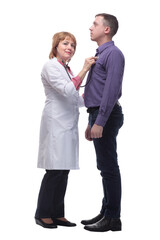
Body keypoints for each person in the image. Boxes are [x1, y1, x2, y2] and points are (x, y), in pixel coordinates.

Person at [35, 31, 96, 229]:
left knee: (63, 171)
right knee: (54, 171)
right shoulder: (51, 66)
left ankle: (57, 213)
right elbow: (68, 90)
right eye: (65, 44)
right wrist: (85, 69)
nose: (70, 47)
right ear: (56, 46)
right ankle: (42, 213)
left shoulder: (66, 69)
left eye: (73, 45)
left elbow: (76, 99)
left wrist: (93, 96)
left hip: (67, 125)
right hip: (55, 124)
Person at [81, 13, 125, 232]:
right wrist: (92, 121)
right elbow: (98, 90)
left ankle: (112, 218)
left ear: (106, 29)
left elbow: (111, 91)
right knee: (104, 167)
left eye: (95, 24)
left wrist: (100, 121)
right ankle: (106, 211)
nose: (91, 27)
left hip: (105, 115)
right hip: (98, 114)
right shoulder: (100, 54)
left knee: (109, 168)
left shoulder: (114, 54)